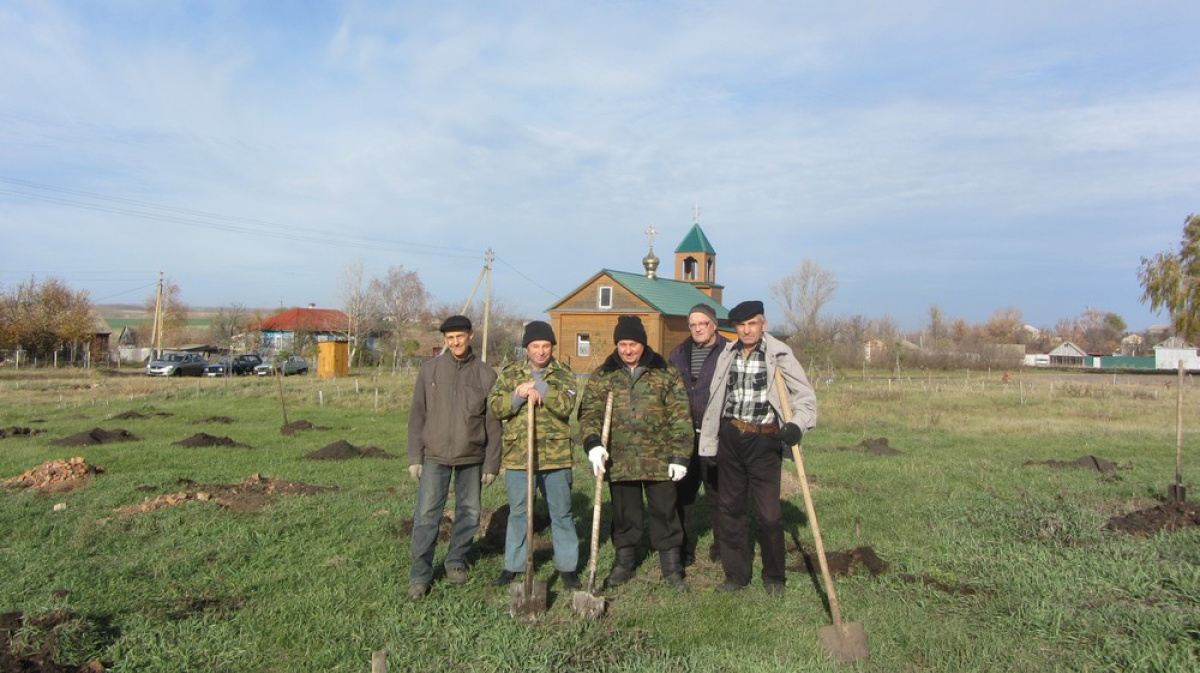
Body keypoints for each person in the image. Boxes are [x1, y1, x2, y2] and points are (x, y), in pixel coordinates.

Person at [699, 300, 816, 596]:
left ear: (763, 324)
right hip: (731, 436)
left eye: (752, 324)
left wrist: (796, 426)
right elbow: (715, 401)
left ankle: (774, 577)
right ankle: (736, 575)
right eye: (741, 325)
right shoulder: (728, 353)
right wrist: (711, 444)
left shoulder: (778, 354)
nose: (746, 330)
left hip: (765, 440)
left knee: (769, 514)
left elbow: (805, 397)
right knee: (731, 510)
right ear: (735, 328)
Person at [578, 315, 692, 589]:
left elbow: (680, 416)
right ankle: (624, 562)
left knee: (665, 512)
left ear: (643, 344)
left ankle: (671, 565)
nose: (627, 350)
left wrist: (680, 455)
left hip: (659, 457)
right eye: (622, 344)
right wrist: (593, 444)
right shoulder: (604, 374)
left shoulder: (664, 372)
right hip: (620, 458)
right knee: (624, 513)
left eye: (633, 344)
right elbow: (589, 412)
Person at [406, 314, 501, 602]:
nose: (456, 341)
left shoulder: (486, 375)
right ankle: (420, 576)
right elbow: (417, 415)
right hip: (434, 455)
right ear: (445, 340)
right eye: (450, 338)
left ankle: (456, 560)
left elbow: (494, 425)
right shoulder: (430, 371)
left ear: (470, 335)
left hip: (472, 455)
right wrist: (415, 456)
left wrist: (492, 464)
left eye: (460, 336)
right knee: (426, 516)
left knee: (470, 513)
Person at [487, 320, 582, 591]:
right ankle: (513, 565)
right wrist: (517, 396)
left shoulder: (563, 373)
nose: (541, 351)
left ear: (552, 346)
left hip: (556, 456)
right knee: (519, 513)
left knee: (562, 514)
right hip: (519, 456)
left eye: (546, 346)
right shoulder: (509, 373)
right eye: (535, 346)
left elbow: (566, 406)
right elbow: (495, 407)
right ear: (526, 348)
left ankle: (567, 567)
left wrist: (540, 388)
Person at [667, 303, 730, 567]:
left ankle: (722, 546)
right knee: (682, 495)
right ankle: (682, 548)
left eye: (702, 324)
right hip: (684, 436)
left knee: (719, 493)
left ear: (713, 324)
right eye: (692, 324)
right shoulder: (678, 353)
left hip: (716, 435)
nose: (697, 329)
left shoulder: (728, 352)